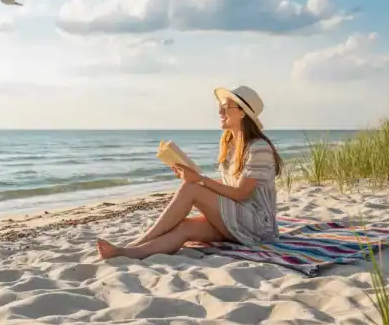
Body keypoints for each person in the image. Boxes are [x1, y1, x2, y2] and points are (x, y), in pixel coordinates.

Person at [97, 85, 283, 260]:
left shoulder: (258, 148)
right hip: (238, 217)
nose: (220, 111)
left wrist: (199, 180)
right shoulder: (231, 145)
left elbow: (241, 193)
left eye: (226, 107)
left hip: (257, 225)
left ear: (242, 112)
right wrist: (193, 176)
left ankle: (139, 241)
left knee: (190, 189)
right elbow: (229, 187)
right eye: (220, 107)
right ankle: (130, 252)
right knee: (184, 227)